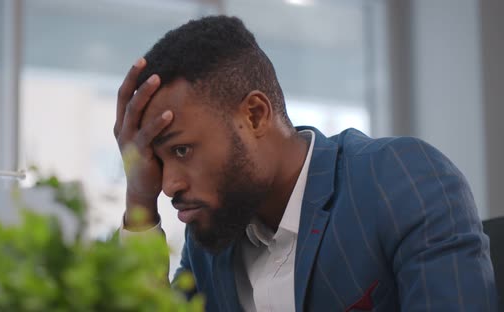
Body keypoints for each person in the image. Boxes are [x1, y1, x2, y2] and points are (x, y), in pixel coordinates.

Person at [113, 15, 497, 311]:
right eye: (157, 160)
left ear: (255, 115)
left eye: (181, 150)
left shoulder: (399, 182)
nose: (169, 185)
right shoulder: (212, 243)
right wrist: (139, 201)